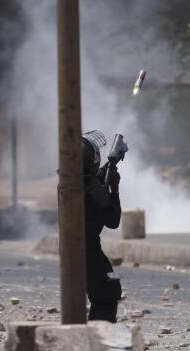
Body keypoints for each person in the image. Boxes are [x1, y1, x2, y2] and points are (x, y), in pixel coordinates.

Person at [82, 130, 122, 323]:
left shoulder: (70, 182)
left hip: (73, 251)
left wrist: (110, 165)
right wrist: (114, 189)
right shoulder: (94, 191)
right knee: (109, 291)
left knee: (102, 290)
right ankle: (99, 336)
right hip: (89, 252)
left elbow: (91, 180)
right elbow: (113, 221)